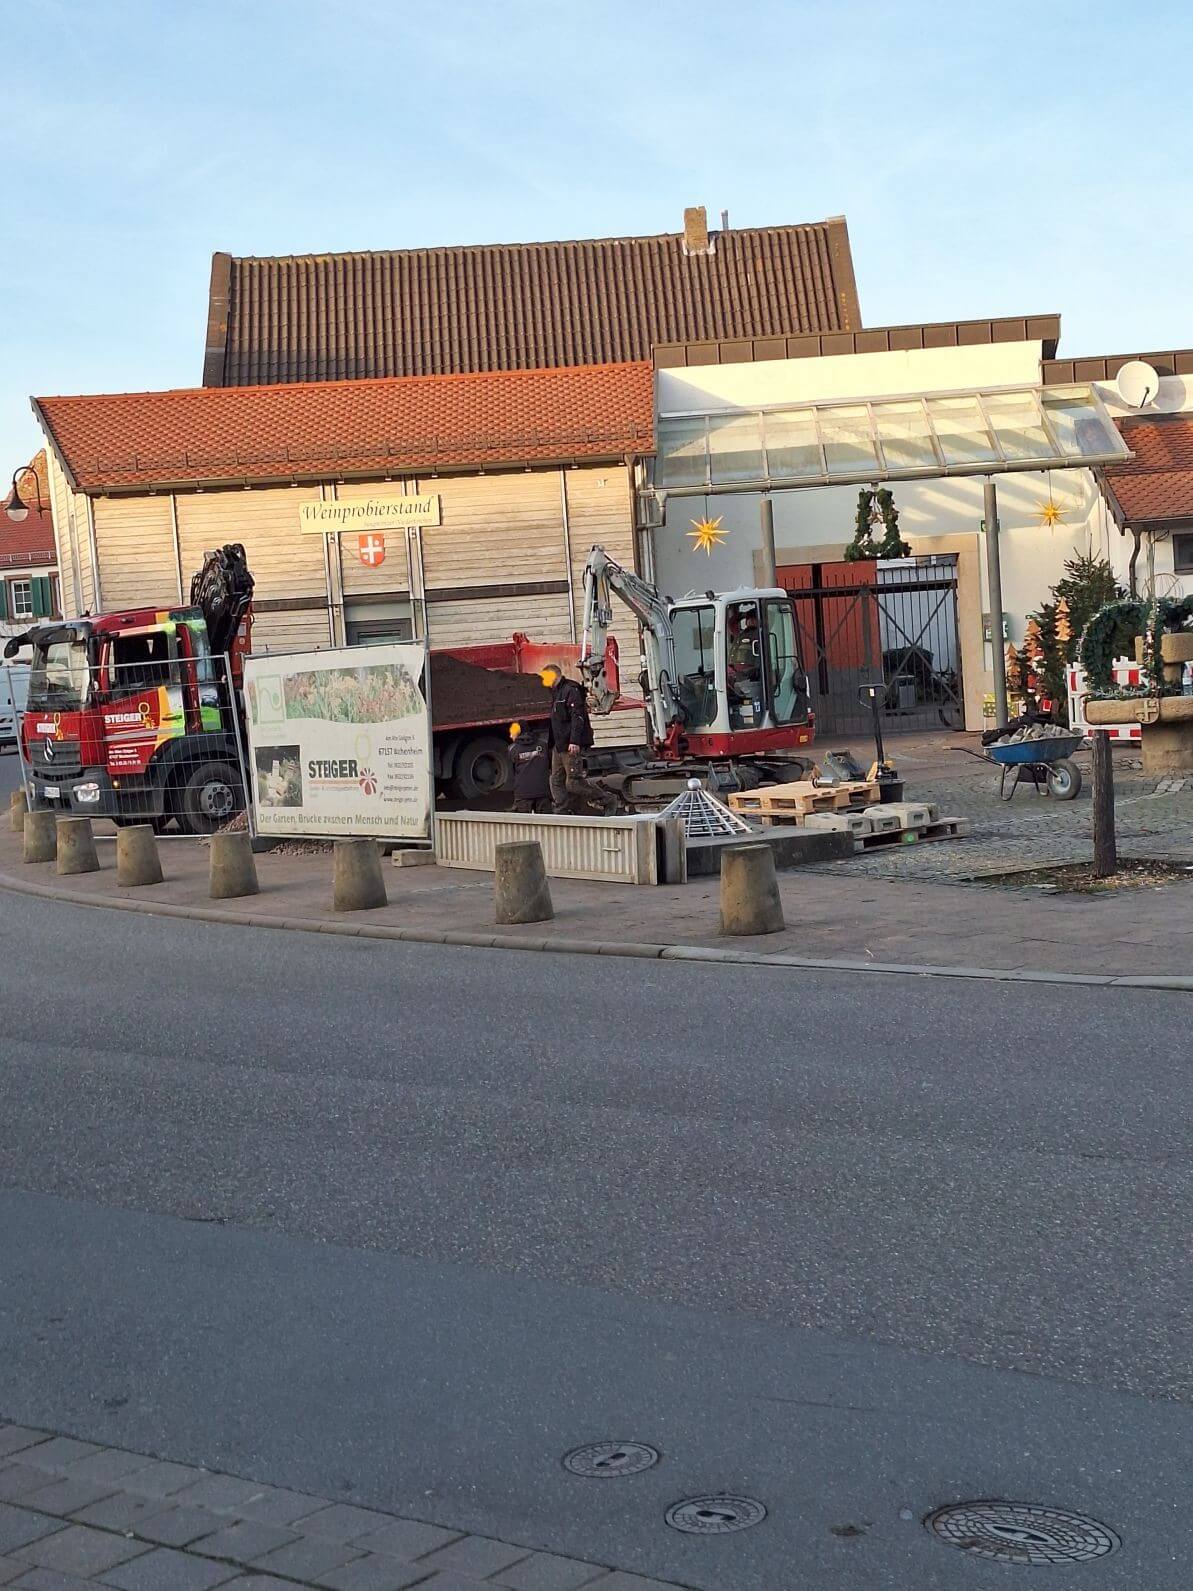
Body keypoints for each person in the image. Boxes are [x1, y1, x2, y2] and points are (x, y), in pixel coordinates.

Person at [538, 662, 615, 816]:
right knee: (555, 781)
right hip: (558, 746)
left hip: (569, 744)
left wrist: (575, 741)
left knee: (573, 783)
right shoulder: (555, 692)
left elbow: (577, 717)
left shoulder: (570, 690)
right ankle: (562, 811)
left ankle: (607, 799)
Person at [508, 721, 550, 813]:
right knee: (545, 824)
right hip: (542, 791)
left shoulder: (512, 749)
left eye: (512, 732)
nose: (510, 736)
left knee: (523, 825)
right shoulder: (543, 745)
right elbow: (549, 766)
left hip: (522, 793)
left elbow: (512, 773)